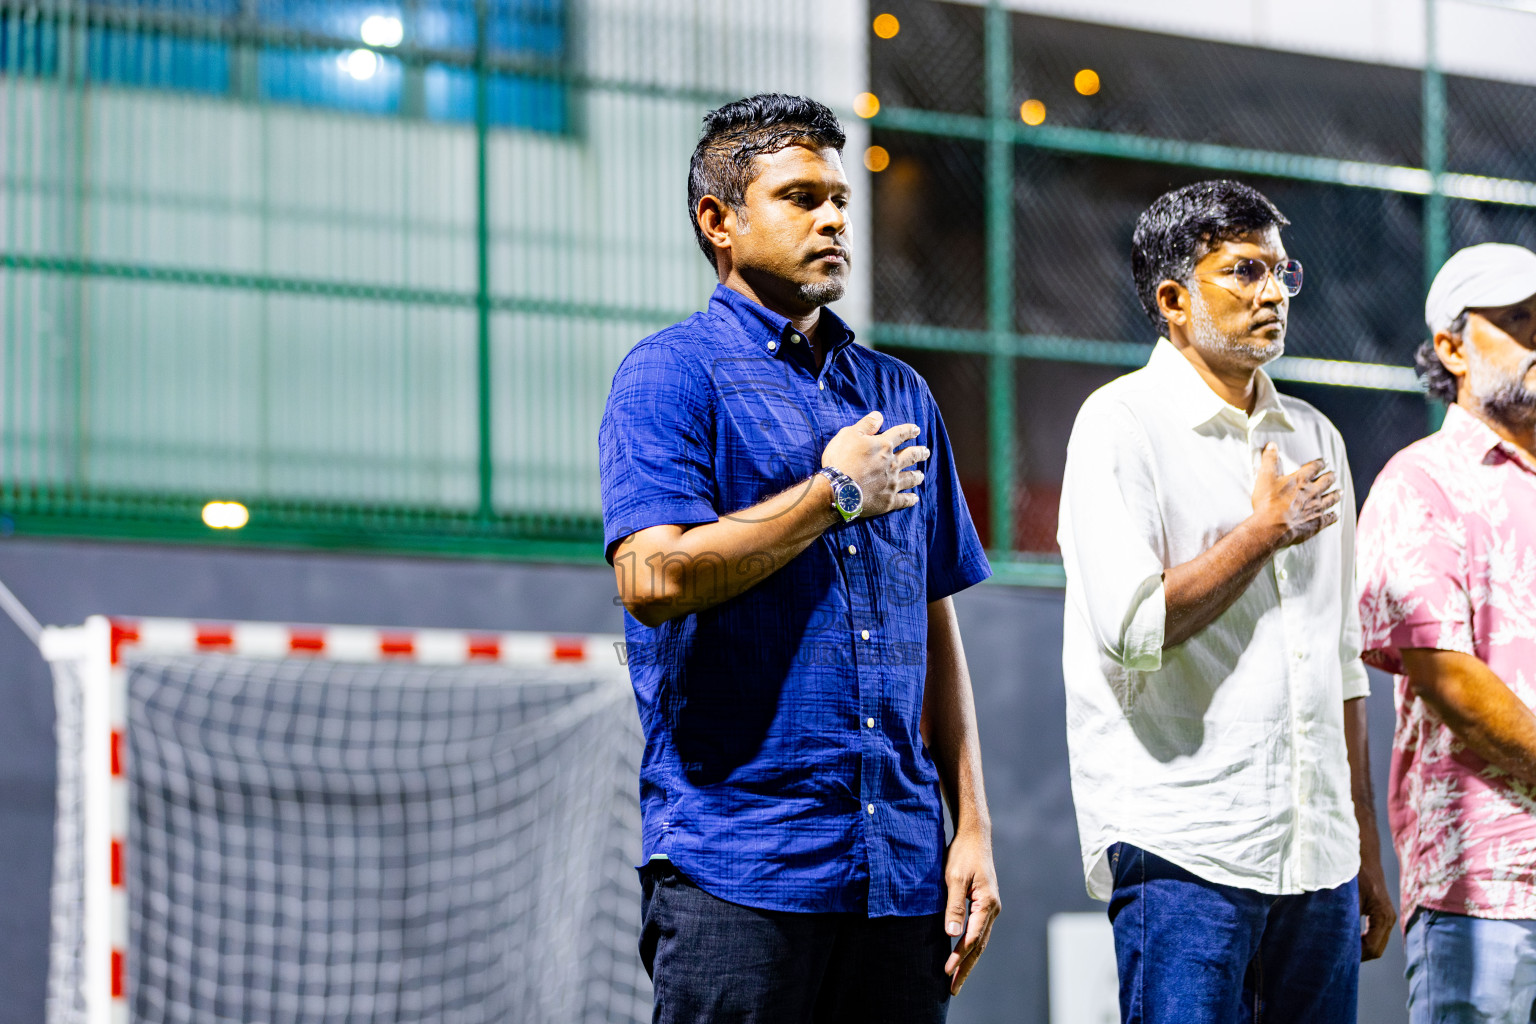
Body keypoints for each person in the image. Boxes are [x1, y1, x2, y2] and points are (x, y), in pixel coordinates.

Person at [597, 93, 999, 1023]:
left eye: (839, 199)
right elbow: (651, 578)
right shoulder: (669, 373)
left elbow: (932, 615)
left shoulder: (899, 391)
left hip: (900, 876)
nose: (832, 218)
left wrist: (970, 824)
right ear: (719, 221)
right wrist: (830, 496)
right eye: (799, 197)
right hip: (739, 869)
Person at [1057, 179, 1395, 1024]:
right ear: (1173, 299)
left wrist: (1363, 849)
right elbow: (1135, 629)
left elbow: (1340, 660)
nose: (1273, 292)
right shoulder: (1119, 425)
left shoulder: (1315, 438)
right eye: (1245, 271)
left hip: (1316, 860)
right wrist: (1263, 532)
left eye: (1282, 272)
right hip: (1184, 851)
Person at [1356, 242, 1536, 1024]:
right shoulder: (1418, 483)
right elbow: (1448, 677)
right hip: (1484, 886)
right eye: (1522, 322)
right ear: (1453, 347)